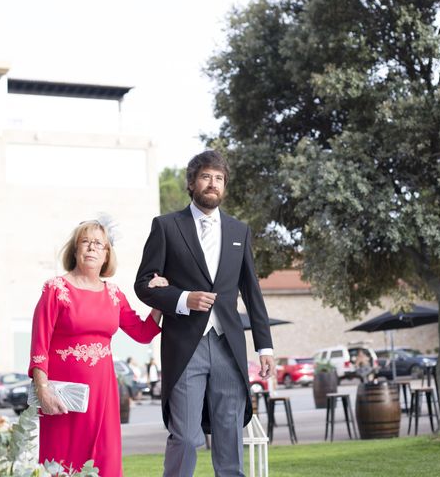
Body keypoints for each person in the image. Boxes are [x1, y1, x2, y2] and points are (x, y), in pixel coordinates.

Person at [134, 149, 275, 476]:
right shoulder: (166, 227)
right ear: (192, 183)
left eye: (219, 178)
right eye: (206, 177)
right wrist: (183, 299)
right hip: (185, 346)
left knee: (229, 434)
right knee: (184, 436)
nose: (213, 184)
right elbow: (144, 284)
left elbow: (252, 293)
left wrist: (265, 347)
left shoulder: (240, 231)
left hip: (229, 346)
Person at [28, 219, 166, 477]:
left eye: (98, 244)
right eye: (85, 242)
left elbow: (143, 332)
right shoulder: (55, 289)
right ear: (75, 250)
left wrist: (159, 301)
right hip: (62, 397)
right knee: (60, 461)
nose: (91, 248)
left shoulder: (113, 294)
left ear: (106, 255)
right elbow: (39, 344)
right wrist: (43, 391)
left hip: (103, 395)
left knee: (104, 460)